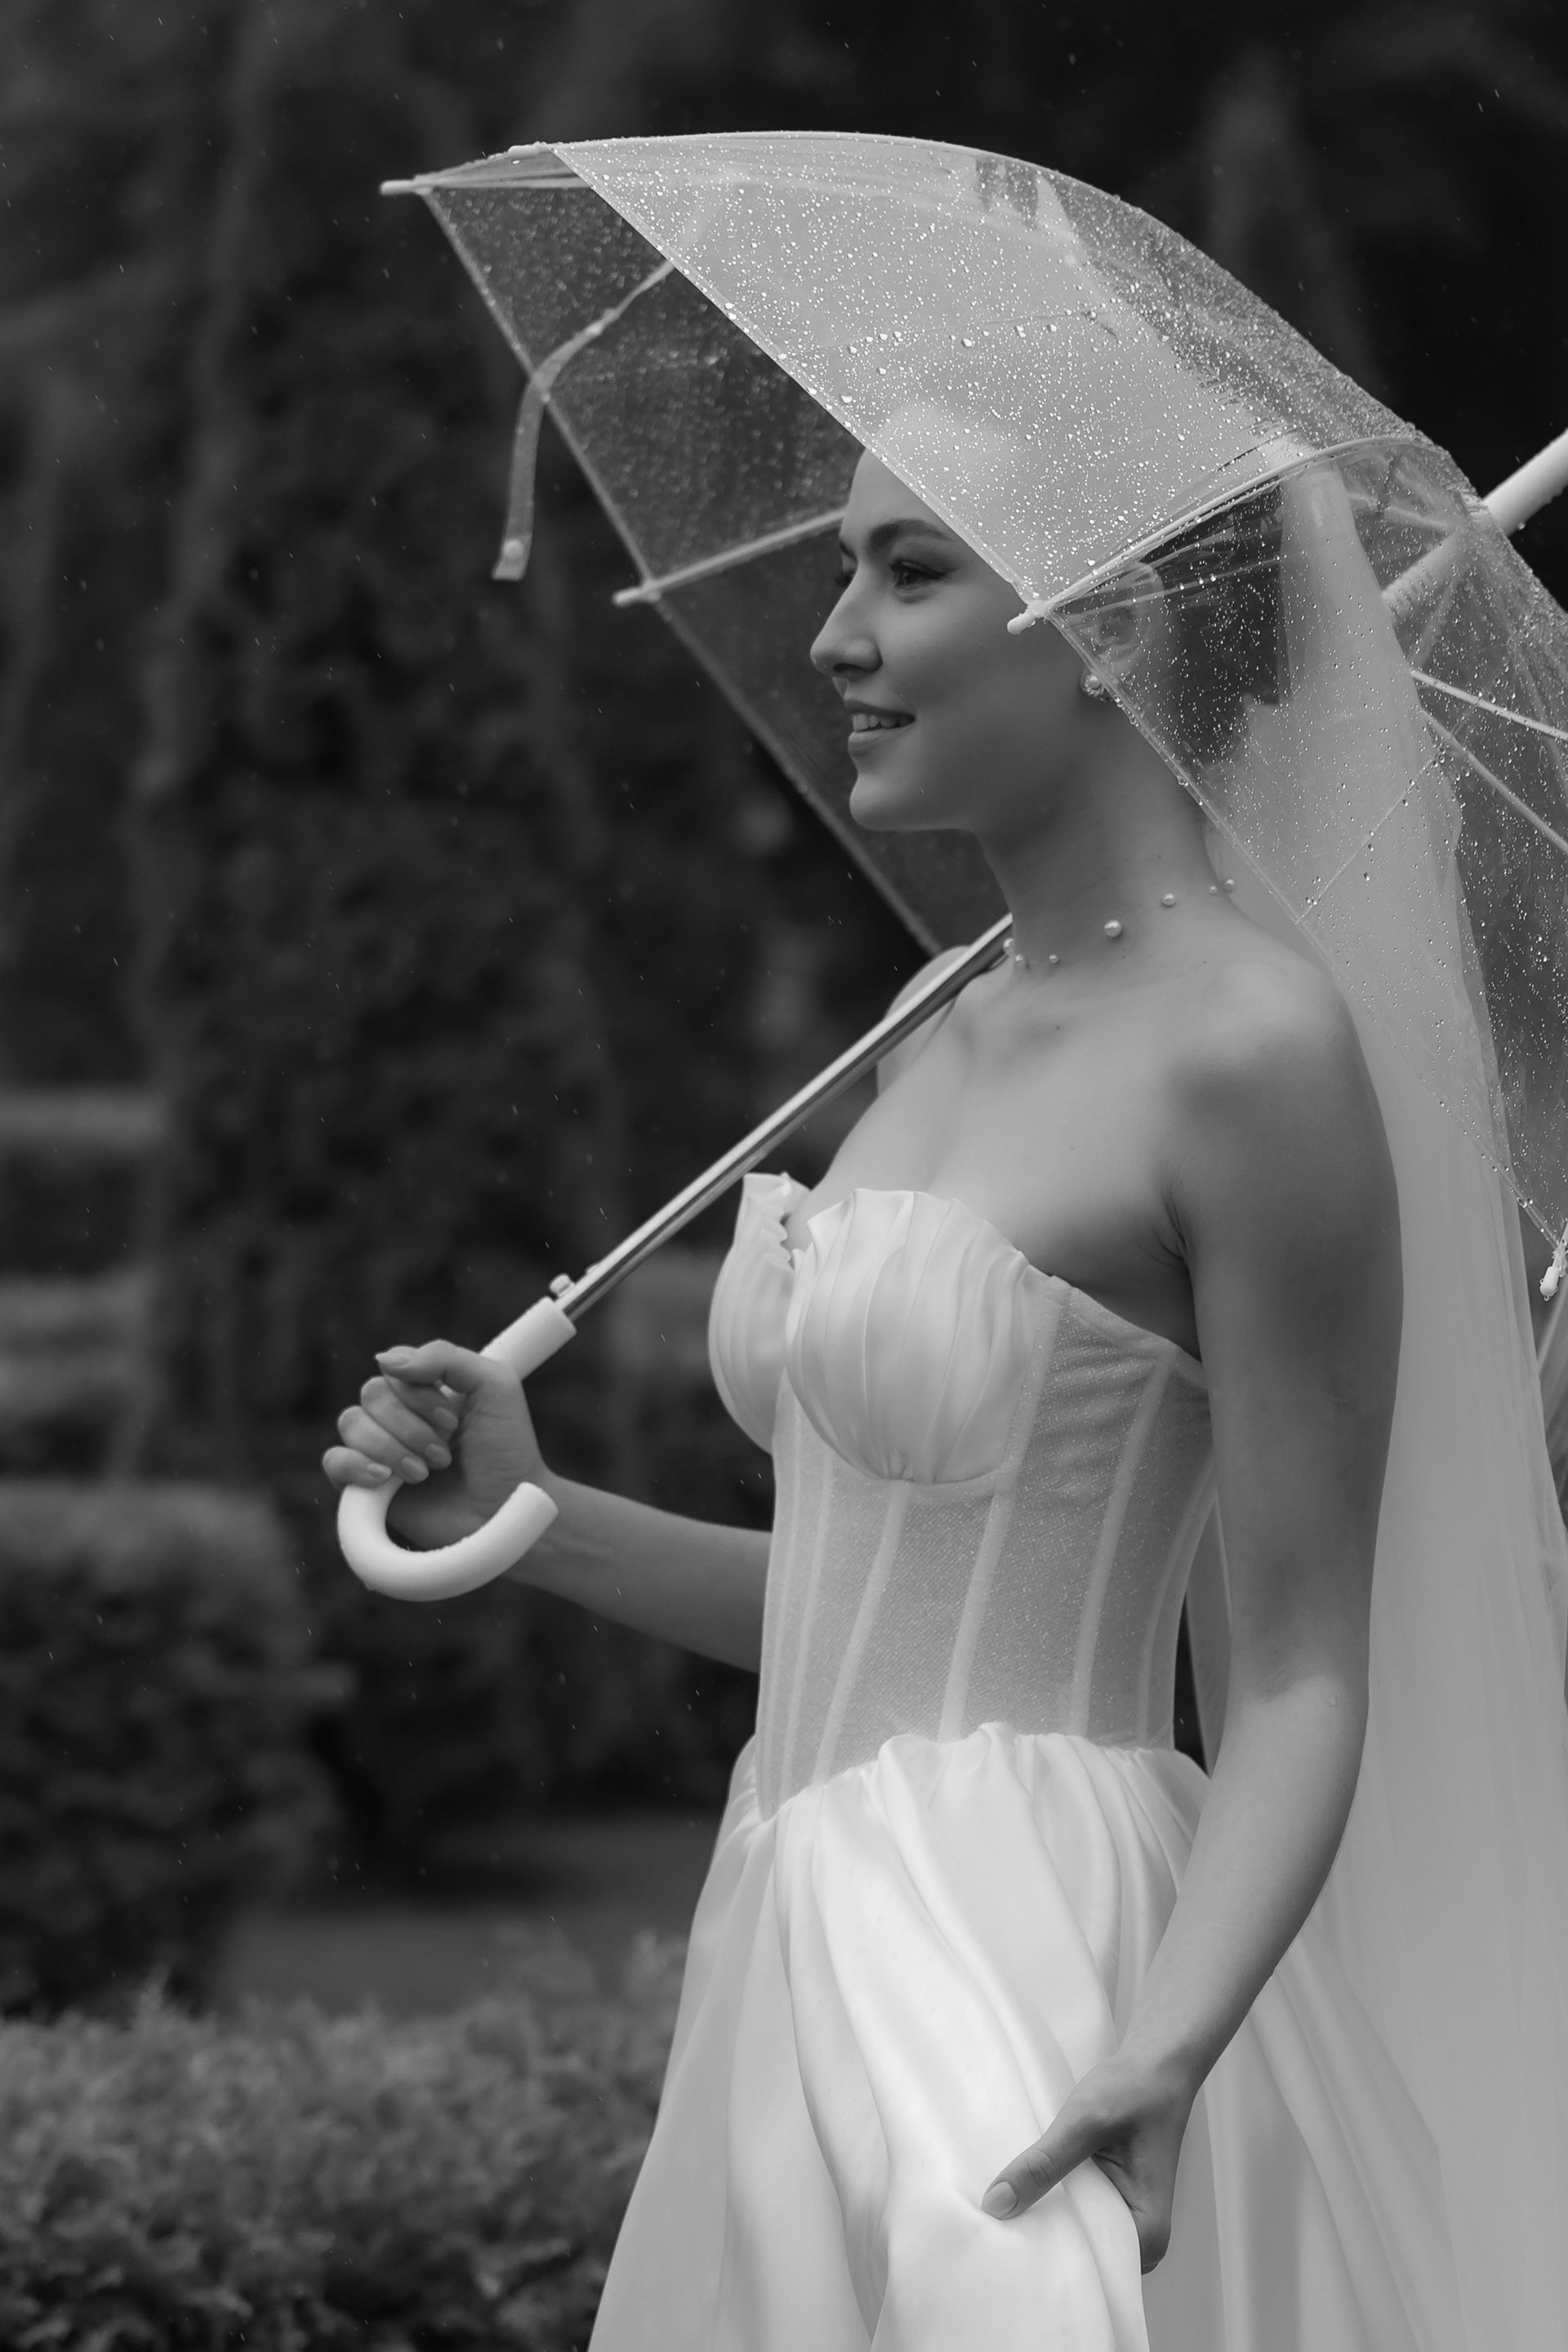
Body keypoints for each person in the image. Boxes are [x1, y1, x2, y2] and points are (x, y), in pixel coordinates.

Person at [323, 446, 1564, 2349]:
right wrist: (536, 1521)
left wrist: (1165, 2043)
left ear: (1105, 631)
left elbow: (1301, 1671)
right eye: (845, 569)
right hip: (795, 1915)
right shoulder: (929, 1027)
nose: (835, 638)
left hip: (1043, 1958)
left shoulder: (1252, 1051)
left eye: (908, 574)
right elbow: (872, 1607)